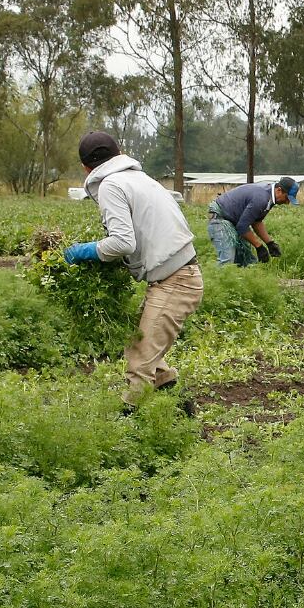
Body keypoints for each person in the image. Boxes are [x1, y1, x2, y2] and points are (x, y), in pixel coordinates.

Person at [63, 131, 204, 412]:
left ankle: (126, 433)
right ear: (118, 153)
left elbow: (122, 242)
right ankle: (184, 415)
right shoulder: (138, 178)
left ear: (86, 168)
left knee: (139, 361)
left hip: (175, 281)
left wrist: (84, 251)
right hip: (178, 276)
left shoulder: (111, 185)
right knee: (141, 349)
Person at [206, 176, 298, 266]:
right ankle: (217, 279)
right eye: (287, 198)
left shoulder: (269, 197)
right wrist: (259, 247)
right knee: (227, 260)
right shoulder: (261, 198)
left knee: (247, 259)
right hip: (220, 218)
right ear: (279, 190)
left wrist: (269, 243)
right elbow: (242, 227)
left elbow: (256, 221)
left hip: (232, 220)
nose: (287, 202)